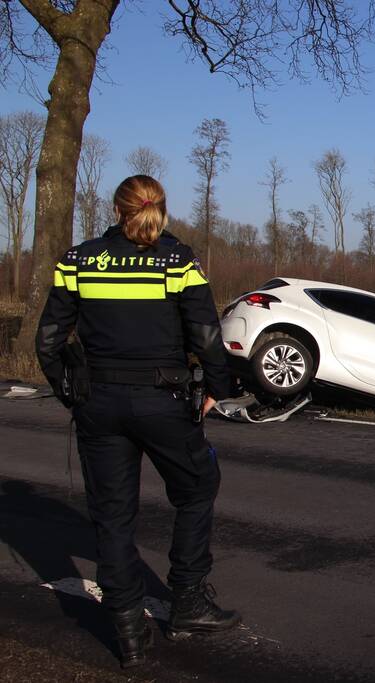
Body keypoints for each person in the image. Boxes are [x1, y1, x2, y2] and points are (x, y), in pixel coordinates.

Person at [35, 175, 240, 668]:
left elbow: (47, 341)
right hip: (164, 400)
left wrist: (72, 392)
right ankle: (187, 601)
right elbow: (208, 336)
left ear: (116, 209)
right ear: (161, 209)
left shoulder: (78, 260)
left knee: (111, 515)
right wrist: (218, 388)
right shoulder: (177, 261)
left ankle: (128, 636)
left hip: (98, 403)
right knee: (196, 487)